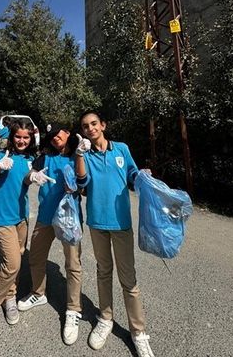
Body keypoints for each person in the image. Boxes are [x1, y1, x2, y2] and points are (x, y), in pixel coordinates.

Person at [75, 110, 154, 357]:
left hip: (121, 223)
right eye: (85, 126)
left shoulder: (121, 149)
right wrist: (79, 154)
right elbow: (81, 183)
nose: (90, 129)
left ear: (103, 125)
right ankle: (106, 319)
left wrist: (141, 175)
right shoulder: (85, 155)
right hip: (97, 223)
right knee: (103, 272)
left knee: (128, 280)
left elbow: (131, 174)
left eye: (94, 124)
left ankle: (138, 332)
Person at [17, 123, 84, 345]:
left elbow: (85, 184)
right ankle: (38, 292)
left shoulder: (78, 156)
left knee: (73, 264)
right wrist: (32, 177)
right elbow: (28, 175)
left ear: (68, 133)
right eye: (52, 135)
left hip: (69, 219)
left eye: (59, 133)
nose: (55, 138)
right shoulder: (45, 157)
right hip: (45, 216)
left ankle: (73, 310)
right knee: (35, 256)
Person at [0, 121, 38, 334]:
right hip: (3, 218)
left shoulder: (30, 159)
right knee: (12, 263)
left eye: (26, 137)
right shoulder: (0, 157)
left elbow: (25, 181)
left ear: (31, 139)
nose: (22, 141)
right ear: (12, 137)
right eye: (18, 137)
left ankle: (10, 295)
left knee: (18, 258)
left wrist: (33, 177)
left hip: (22, 217)